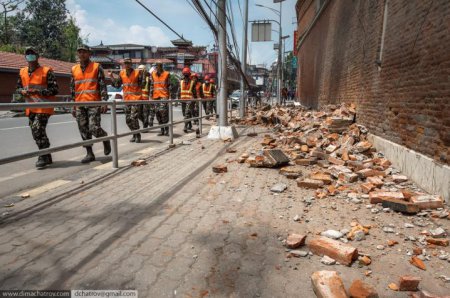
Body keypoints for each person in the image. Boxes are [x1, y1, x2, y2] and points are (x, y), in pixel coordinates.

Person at [16, 47, 58, 169]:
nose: (30, 56)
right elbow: (18, 87)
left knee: (37, 129)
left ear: (37, 56)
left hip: (44, 107)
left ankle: (42, 156)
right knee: (36, 133)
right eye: (27, 54)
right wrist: (22, 91)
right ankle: (47, 154)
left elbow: (54, 90)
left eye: (32, 54)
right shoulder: (22, 71)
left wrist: (37, 91)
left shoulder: (46, 71)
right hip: (30, 108)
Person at [71, 44, 111, 163]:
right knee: (83, 129)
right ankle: (89, 153)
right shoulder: (74, 69)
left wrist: (104, 102)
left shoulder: (96, 67)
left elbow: (102, 86)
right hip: (79, 103)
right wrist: (73, 105)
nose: (82, 54)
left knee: (93, 128)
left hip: (93, 102)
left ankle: (105, 138)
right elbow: (73, 89)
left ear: (89, 54)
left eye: (84, 52)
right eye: (80, 52)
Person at [110, 58, 145, 143]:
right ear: (124, 64)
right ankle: (134, 134)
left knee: (133, 117)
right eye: (125, 63)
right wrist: (111, 76)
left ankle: (137, 135)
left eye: (128, 63)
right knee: (128, 120)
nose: (127, 65)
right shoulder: (121, 73)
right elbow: (117, 85)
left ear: (131, 64)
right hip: (127, 100)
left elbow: (143, 85)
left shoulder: (137, 72)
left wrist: (143, 76)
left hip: (136, 99)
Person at [151, 61, 170, 136]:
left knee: (163, 112)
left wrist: (170, 97)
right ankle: (162, 130)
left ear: (161, 66)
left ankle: (166, 129)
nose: (156, 67)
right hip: (155, 96)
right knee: (157, 113)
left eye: (158, 66)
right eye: (156, 66)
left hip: (164, 96)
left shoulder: (166, 74)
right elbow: (152, 86)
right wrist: (151, 96)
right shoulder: (153, 74)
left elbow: (169, 86)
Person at [179, 67, 197, 133]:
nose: (186, 76)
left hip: (190, 101)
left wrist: (195, 100)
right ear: (183, 74)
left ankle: (185, 127)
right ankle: (189, 124)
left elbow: (194, 92)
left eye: (187, 74)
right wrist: (176, 100)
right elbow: (179, 91)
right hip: (183, 100)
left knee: (187, 113)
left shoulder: (192, 82)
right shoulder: (180, 82)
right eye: (185, 74)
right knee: (185, 114)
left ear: (189, 74)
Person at [137, 64, 151, 131]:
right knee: (139, 114)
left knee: (145, 114)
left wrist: (151, 98)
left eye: (141, 70)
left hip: (146, 99)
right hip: (138, 99)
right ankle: (145, 123)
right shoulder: (136, 78)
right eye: (139, 70)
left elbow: (151, 89)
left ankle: (145, 127)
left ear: (144, 70)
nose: (140, 71)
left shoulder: (148, 79)